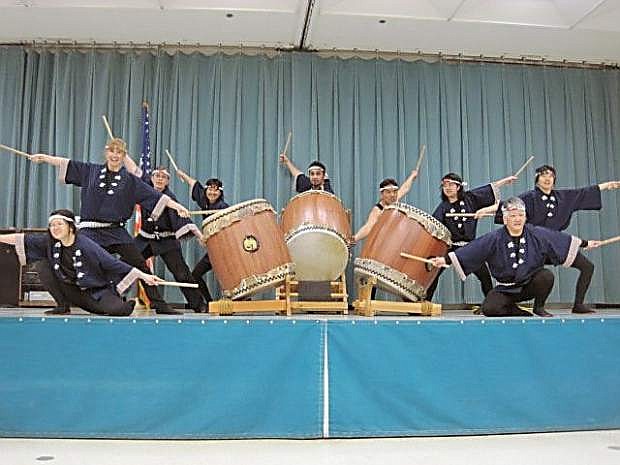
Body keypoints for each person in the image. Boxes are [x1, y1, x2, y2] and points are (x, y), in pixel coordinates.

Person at [29, 138, 189, 314]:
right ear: (106, 153)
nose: (115, 155)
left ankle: (158, 304)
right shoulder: (90, 171)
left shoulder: (130, 181)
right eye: (112, 151)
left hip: (116, 231)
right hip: (90, 231)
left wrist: (178, 207)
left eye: (119, 152)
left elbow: (155, 196)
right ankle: (64, 303)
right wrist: (44, 158)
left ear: (123, 155)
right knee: (77, 261)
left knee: (140, 264)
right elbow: (66, 162)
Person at [476, 164, 620, 313]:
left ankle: (578, 305)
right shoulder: (529, 197)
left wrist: (606, 185)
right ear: (537, 179)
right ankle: (532, 306)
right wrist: (485, 210)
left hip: (554, 245)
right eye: (544, 175)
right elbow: (507, 206)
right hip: (532, 247)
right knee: (540, 276)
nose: (547, 178)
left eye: (550, 176)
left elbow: (584, 193)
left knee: (587, 266)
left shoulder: (564, 197)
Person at [430, 197, 601, 317]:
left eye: (520, 215)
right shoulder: (494, 238)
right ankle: (514, 309)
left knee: (545, 276)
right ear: (505, 219)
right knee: (490, 309)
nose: (517, 219)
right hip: (506, 288)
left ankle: (539, 307)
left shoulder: (537, 233)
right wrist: (444, 260)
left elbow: (559, 240)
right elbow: (473, 249)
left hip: (529, 284)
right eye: (512, 216)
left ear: (525, 217)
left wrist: (585, 243)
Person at [0, 209, 163, 316]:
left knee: (118, 310)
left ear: (70, 227)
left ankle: (121, 303)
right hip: (70, 290)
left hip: (94, 292)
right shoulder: (49, 241)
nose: (54, 228)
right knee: (42, 265)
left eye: (59, 224)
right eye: (52, 225)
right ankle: (62, 306)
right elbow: (21, 239)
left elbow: (113, 263)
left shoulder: (86, 245)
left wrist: (144, 276)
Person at [425, 173, 517, 300]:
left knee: (484, 275)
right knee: (435, 272)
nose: (447, 188)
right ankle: (425, 302)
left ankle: (491, 303)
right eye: (445, 185)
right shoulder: (443, 207)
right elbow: (434, 226)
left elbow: (490, 188)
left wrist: (506, 180)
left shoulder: (470, 199)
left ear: (458, 187)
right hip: (451, 247)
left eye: (451, 184)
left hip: (470, 247)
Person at [134, 167, 208, 313]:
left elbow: (183, 219)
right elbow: (133, 172)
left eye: (163, 177)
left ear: (167, 181)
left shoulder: (170, 198)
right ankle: (108, 297)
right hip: (145, 238)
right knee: (127, 263)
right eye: (157, 176)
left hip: (166, 241)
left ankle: (198, 304)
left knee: (181, 273)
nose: (160, 179)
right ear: (152, 178)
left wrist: (200, 236)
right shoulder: (145, 192)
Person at [176, 169, 229, 302]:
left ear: (220, 192)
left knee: (229, 276)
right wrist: (183, 175)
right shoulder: (205, 202)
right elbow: (194, 183)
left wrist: (206, 237)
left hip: (224, 250)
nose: (212, 192)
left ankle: (238, 301)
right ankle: (210, 302)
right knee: (196, 275)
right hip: (212, 250)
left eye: (216, 190)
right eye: (209, 189)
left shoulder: (223, 208)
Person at [352, 171, 419, 243]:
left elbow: (405, 188)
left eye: (395, 191)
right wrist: (355, 238)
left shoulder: (394, 200)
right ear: (382, 194)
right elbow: (368, 227)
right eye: (388, 192)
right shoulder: (378, 210)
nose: (392, 195)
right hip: (383, 244)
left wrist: (412, 176)